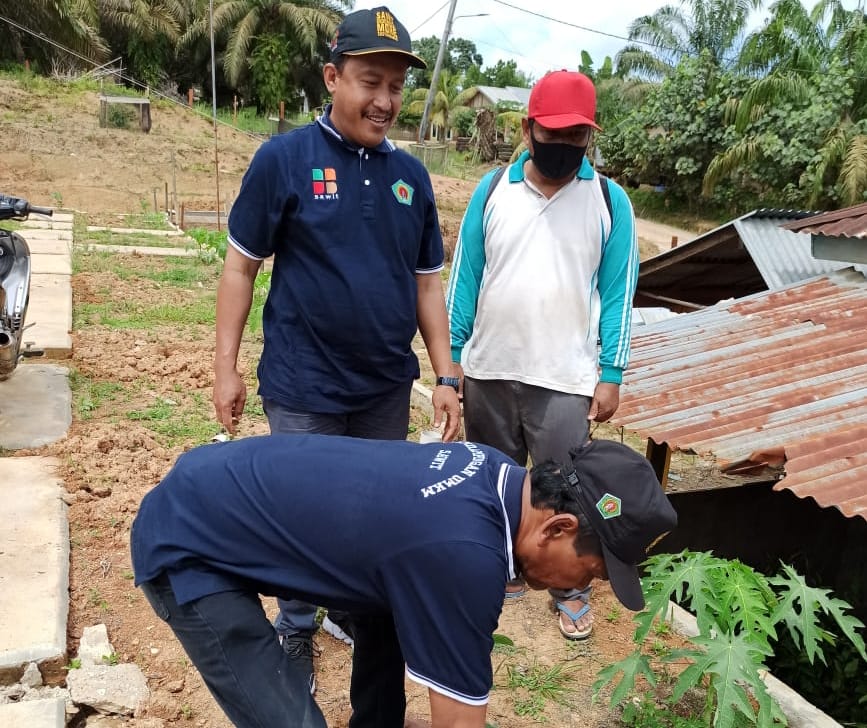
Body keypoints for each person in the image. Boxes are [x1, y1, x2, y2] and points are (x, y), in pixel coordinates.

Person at [212, 5, 461, 686]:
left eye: (395, 88)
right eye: (368, 82)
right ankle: (294, 627)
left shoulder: (411, 177)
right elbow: (240, 265)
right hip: (302, 384)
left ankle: (349, 611)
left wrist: (446, 374)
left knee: (370, 514)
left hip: (382, 387)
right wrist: (225, 367)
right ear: (332, 77)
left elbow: (427, 285)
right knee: (301, 513)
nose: (383, 101)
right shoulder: (284, 161)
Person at [131, 433, 677, 728]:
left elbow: (402, 583)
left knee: (395, 611)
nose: (585, 585)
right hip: (189, 543)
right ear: (559, 527)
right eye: (594, 570)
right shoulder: (466, 555)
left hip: (216, 484)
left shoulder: (490, 469)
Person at [446, 70, 639, 641]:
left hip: (564, 376)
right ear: (528, 129)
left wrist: (611, 373)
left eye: (576, 136)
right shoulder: (492, 191)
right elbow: (465, 278)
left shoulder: (608, 200)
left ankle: (569, 587)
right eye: (552, 133)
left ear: (589, 137)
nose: (564, 147)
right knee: (496, 478)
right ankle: (502, 566)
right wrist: (452, 361)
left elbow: (619, 291)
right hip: (489, 369)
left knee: (564, 489)